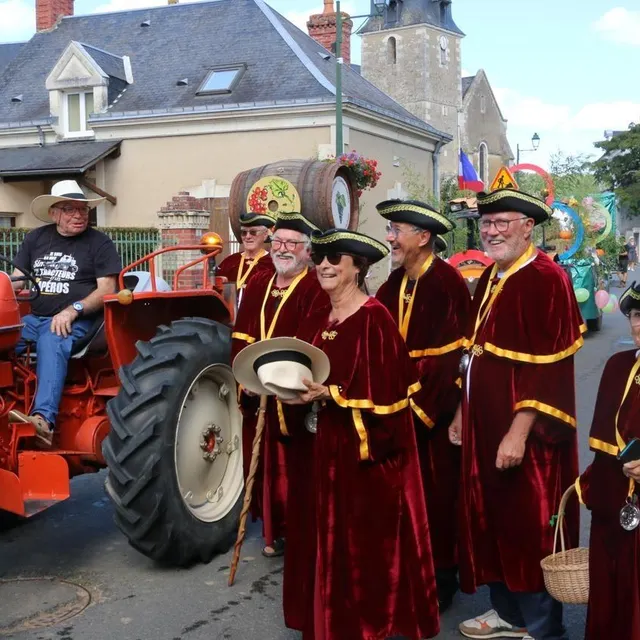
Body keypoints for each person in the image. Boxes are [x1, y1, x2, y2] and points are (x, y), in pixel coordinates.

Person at [283, 228, 440, 640]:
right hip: (319, 451)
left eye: (336, 260)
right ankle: (324, 625)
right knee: (319, 541)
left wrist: (332, 396)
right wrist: (290, 390)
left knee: (360, 550)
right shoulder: (318, 317)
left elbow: (389, 403)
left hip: (362, 460)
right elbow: (302, 372)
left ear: (358, 268)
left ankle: (361, 628)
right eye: (321, 259)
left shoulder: (375, 319)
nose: (325, 266)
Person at [450, 188, 585, 640]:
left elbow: (548, 371)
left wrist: (518, 432)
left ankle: (542, 627)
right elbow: (474, 353)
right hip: (483, 424)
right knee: (490, 517)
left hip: (528, 435)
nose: (491, 231)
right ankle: (506, 612)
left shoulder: (548, 279)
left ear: (528, 227)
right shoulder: (491, 276)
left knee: (531, 523)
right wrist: (459, 412)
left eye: (502, 222)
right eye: (487, 224)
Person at [375, 199, 471, 611]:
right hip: (397, 411)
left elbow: (448, 360)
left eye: (397, 230)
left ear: (424, 237)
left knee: (437, 498)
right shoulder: (393, 282)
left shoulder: (446, 283)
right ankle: (403, 577)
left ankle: (441, 580)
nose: (390, 237)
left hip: (432, 415)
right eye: (391, 229)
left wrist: (412, 414)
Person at [231, 212, 329, 558]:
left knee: (299, 467)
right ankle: (275, 530)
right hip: (257, 389)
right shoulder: (259, 281)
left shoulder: (315, 285)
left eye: (292, 243)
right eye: (278, 242)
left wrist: (284, 382)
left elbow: (311, 340)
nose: (283, 249)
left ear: (307, 251)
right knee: (266, 465)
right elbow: (242, 332)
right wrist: (245, 377)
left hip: (293, 392)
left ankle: (304, 531)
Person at [10, 180, 121, 447]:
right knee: (5, 335)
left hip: (82, 321)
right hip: (34, 320)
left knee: (52, 337)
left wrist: (74, 309)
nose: (79, 215)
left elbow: (108, 288)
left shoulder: (99, 243)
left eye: (82, 210)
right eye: (70, 209)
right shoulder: (35, 239)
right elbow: (17, 281)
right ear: (54, 213)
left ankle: (43, 421)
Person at [576, 281, 640, 639]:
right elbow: (603, 442)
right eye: (636, 315)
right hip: (614, 506)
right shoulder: (617, 365)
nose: (638, 325)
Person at [216, 212, 275, 302]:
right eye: (244, 233)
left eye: (253, 232)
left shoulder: (272, 263)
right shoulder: (230, 261)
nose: (247, 237)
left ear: (265, 234)